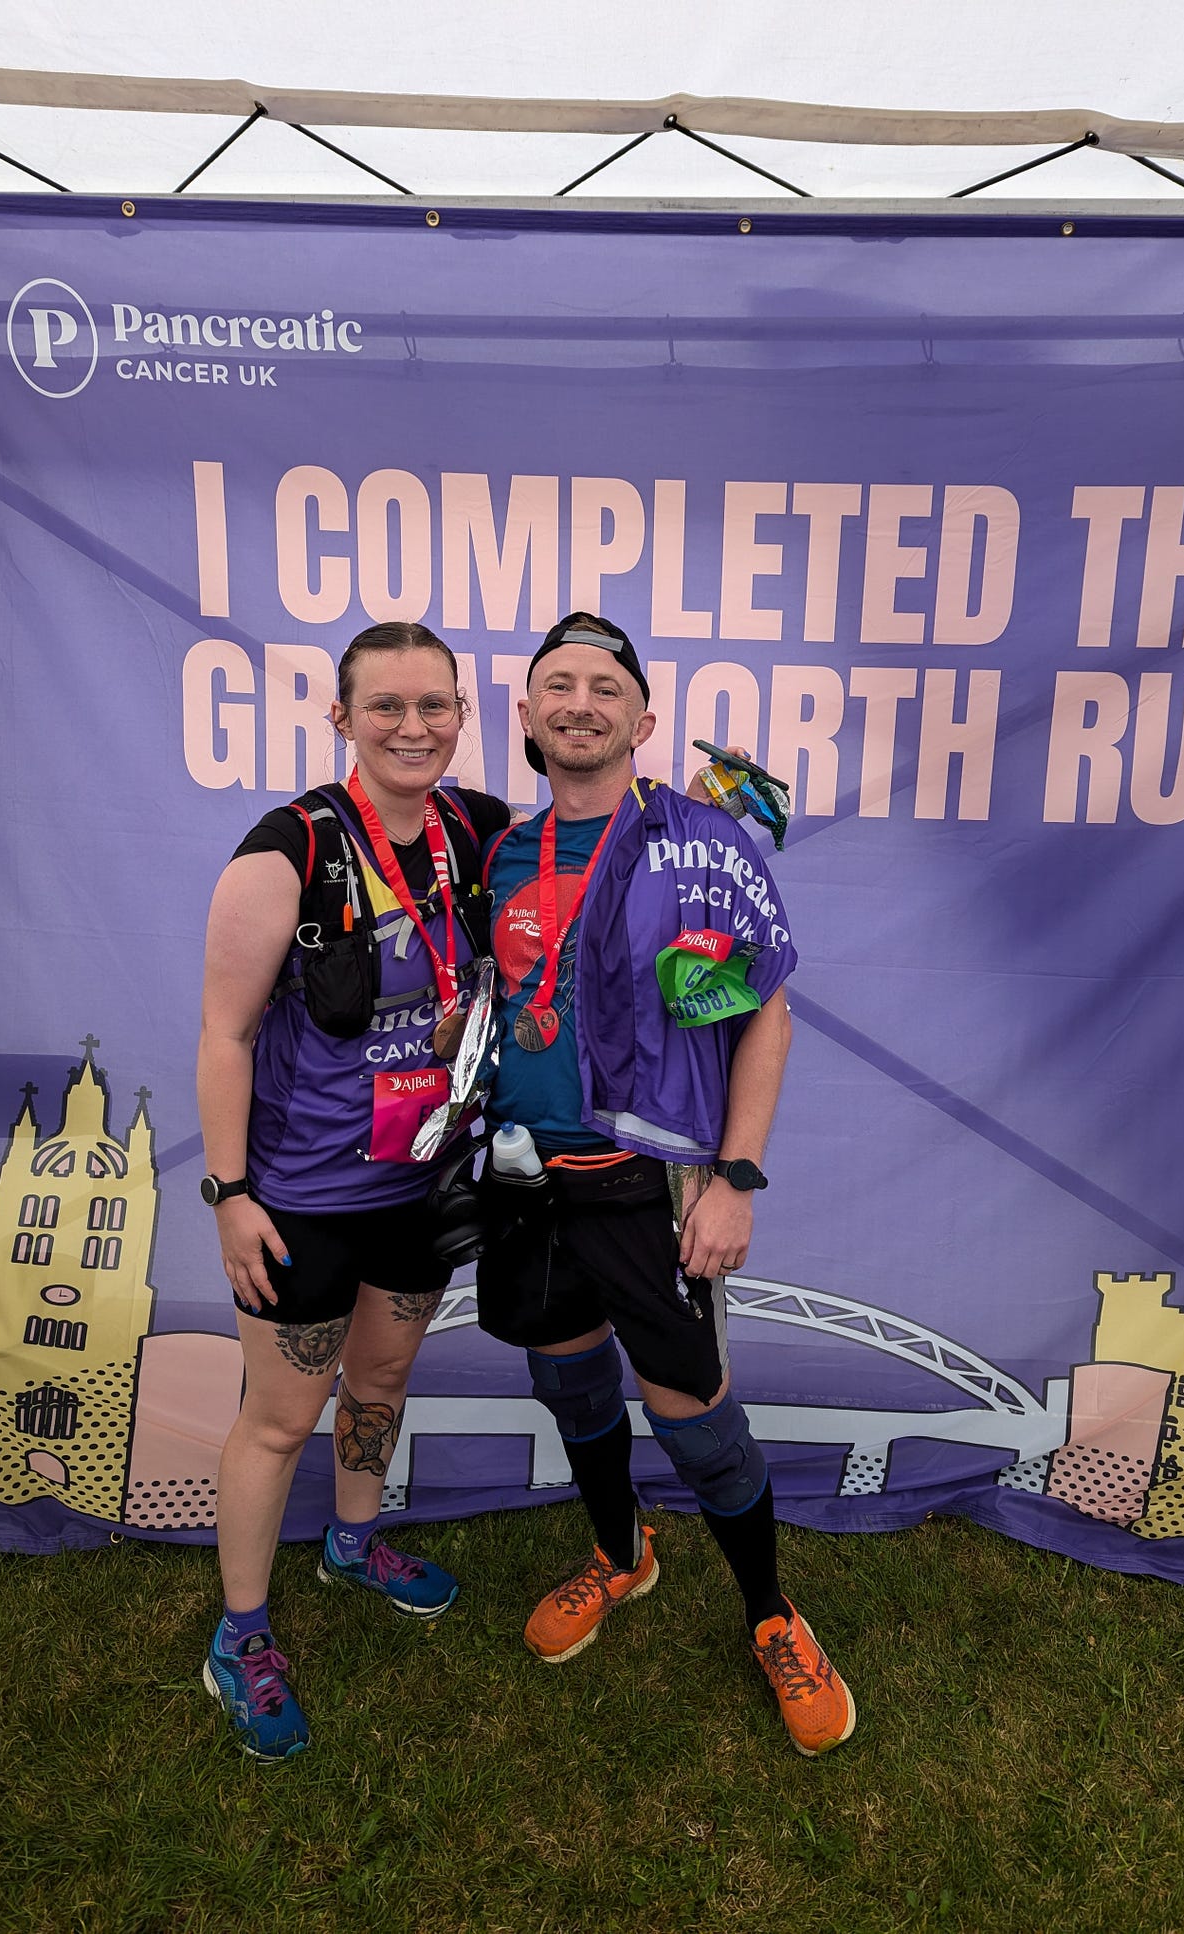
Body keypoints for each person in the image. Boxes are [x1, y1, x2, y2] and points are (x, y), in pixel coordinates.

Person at [477, 612, 856, 1756]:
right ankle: (620, 1550)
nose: (579, 701)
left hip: (648, 1179)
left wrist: (732, 1175)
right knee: (567, 1374)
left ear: (641, 721)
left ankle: (770, 1613)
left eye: (604, 685)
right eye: (558, 684)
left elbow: (761, 1013)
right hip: (526, 1175)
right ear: (530, 715)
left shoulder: (697, 844)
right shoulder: (503, 851)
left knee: (691, 1404)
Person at [196, 619, 510, 1760]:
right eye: (387, 705)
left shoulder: (478, 833)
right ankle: (242, 1634)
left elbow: (589, 868)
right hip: (303, 1197)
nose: (413, 726)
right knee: (280, 1417)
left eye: (435, 705)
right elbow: (225, 1035)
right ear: (342, 717)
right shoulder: (285, 851)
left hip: (425, 1183)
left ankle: (355, 1536)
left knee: (379, 1378)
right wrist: (231, 1192)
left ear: (461, 715)